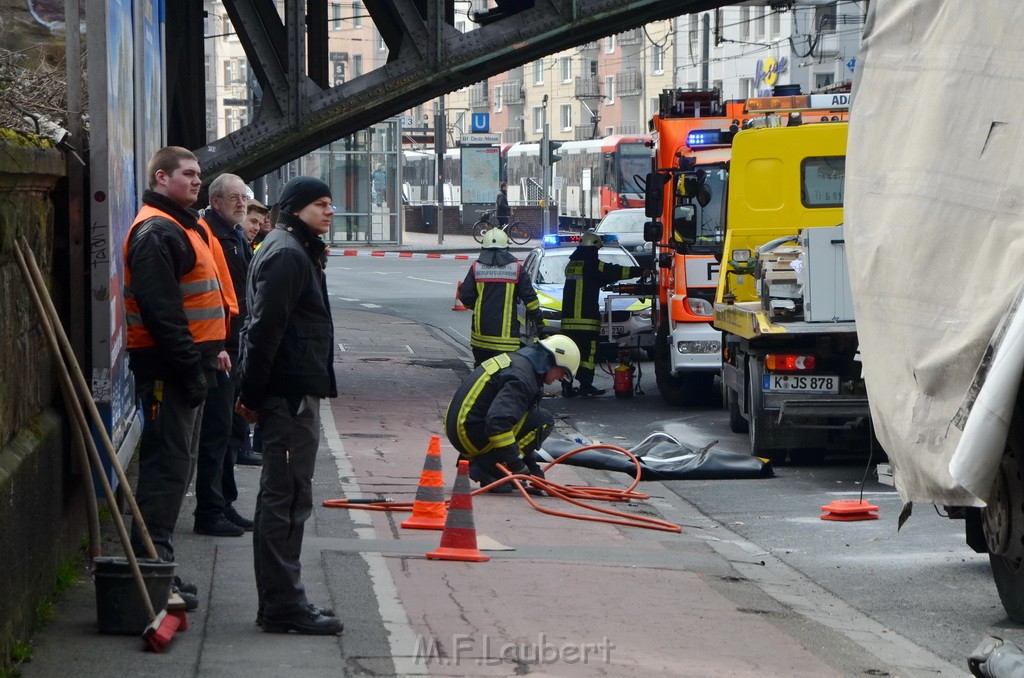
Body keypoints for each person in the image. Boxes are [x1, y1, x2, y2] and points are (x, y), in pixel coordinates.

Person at [123, 146, 234, 609]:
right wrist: (192, 369)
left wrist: (213, 352)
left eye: (199, 173)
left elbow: (193, 304)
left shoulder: (181, 226)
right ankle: (149, 576)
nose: (196, 180)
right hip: (170, 370)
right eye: (187, 174)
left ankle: (158, 570)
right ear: (161, 177)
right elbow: (163, 315)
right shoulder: (156, 230)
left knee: (176, 469)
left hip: (189, 365)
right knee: (166, 472)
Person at [236, 176, 342, 636]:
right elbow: (264, 331)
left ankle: (282, 600)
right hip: (289, 395)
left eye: (331, 204)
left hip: (292, 390)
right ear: (296, 208)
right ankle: (282, 605)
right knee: (285, 497)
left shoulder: (293, 248)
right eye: (321, 203)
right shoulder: (286, 254)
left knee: (287, 496)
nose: (330, 211)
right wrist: (253, 395)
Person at [192, 173, 256, 538]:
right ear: (215, 202)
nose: (241, 203)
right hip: (220, 349)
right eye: (233, 197)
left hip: (233, 345)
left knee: (231, 431)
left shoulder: (233, 235)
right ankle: (210, 510)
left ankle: (224, 502)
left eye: (243, 196)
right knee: (216, 433)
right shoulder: (210, 234)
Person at [444, 335, 579, 491]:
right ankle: (490, 467)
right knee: (543, 421)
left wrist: (532, 467)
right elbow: (498, 422)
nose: (561, 378)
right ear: (552, 362)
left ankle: (488, 462)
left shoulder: (518, 363)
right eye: (563, 372)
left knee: (534, 417)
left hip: (461, 428)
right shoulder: (522, 378)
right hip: (469, 434)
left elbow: (518, 420)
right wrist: (516, 465)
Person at [560, 232, 639, 397]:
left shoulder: (571, 265)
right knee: (588, 355)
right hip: (586, 320)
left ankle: (567, 386)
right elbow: (615, 271)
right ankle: (586, 385)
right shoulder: (594, 264)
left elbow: (592, 279)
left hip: (568, 321)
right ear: (593, 247)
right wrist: (639, 271)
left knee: (569, 353)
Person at [458, 227, 545, 367]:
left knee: (481, 374)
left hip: (480, 338)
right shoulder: (516, 269)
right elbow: (530, 300)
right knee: (504, 374)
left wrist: (479, 306)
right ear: (506, 247)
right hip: (507, 340)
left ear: (483, 248)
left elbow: (465, 296)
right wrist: (539, 323)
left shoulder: (476, 268)